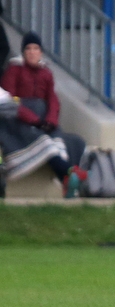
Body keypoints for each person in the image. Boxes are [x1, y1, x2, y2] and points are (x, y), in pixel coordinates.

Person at [0, 32, 87, 195]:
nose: (32, 52)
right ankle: (69, 174)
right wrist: (33, 120)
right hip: (17, 121)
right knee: (45, 143)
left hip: (43, 120)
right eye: (28, 49)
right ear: (23, 52)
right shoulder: (14, 70)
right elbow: (10, 101)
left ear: (40, 52)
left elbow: (53, 99)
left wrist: (50, 119)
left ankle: (68, 178)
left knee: (72, 142)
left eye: (36, 48)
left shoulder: (46, 73)